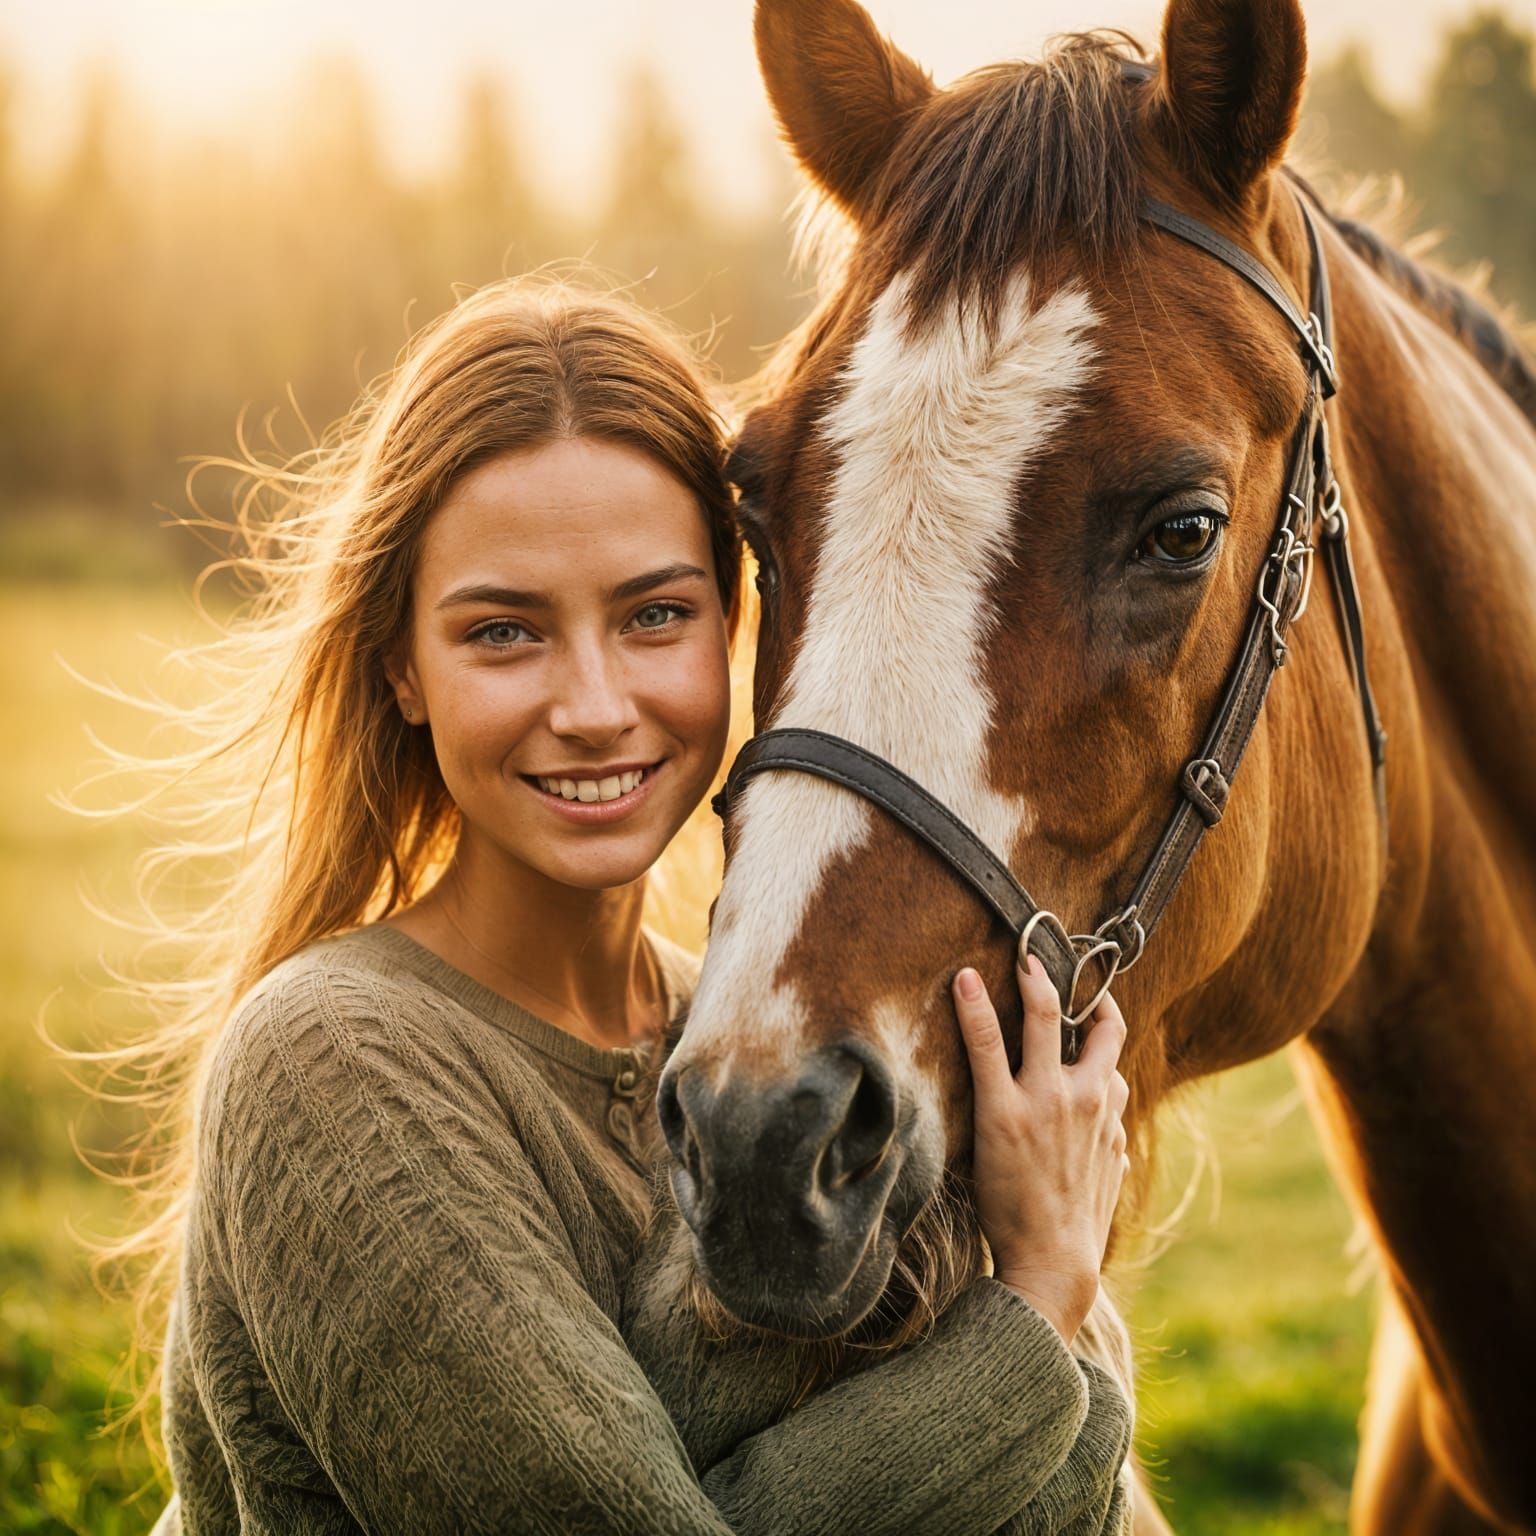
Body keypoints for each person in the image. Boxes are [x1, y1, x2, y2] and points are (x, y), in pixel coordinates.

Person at [131, 279, 1135, 1534]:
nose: (596, 704)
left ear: (738, 624)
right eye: (504, 633)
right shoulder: (326, 1059)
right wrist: (1036, 1311)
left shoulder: (766, 1048)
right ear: (403, 668)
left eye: (656, 614)